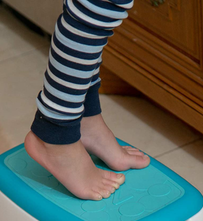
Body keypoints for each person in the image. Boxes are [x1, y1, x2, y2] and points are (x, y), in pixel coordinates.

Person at [24, 0, 150, 201]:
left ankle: (85, 118)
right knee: (96, 9)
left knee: (96, 9)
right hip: (57, 132)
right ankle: (56, 132)